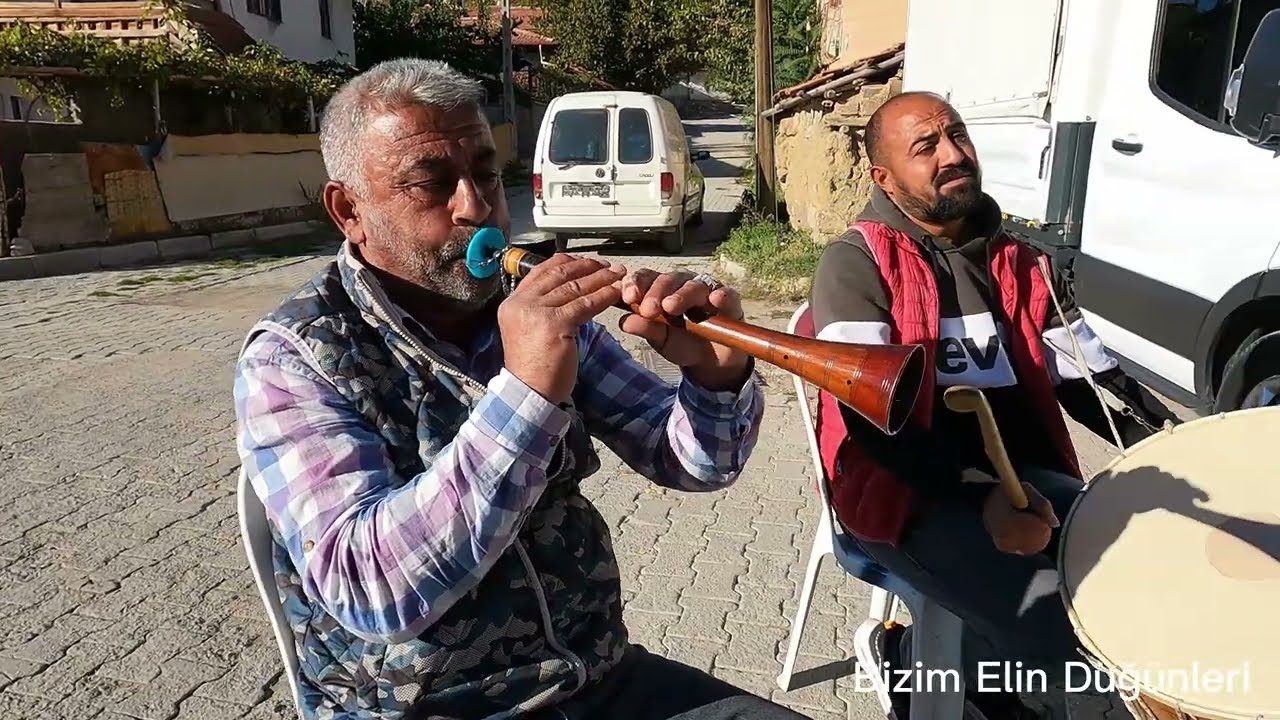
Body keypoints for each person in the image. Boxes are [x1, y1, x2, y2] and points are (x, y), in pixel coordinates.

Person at [233, 58, 811, 720]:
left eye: (485, 174)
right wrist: (528, 394)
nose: (476, 207)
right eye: (431, 184)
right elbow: (370, 592)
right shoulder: (292, 358)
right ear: (349, 210)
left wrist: (714, 377)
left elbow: (697, 464)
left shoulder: (534, 309)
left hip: (594, 678)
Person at [807, 91, 1181, 719]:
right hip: (906, 495)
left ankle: (967, 669)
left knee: (1153, 570)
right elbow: (871, 421)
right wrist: (980, 498)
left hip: (1028, 481)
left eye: (957, 135)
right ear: (884, 179)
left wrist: (1179, 442)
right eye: (925, 147)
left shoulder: (1022, 261)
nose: (953, 155)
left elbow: (1091, 380)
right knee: (1058, 632)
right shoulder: (857, 263)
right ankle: (913, 664)